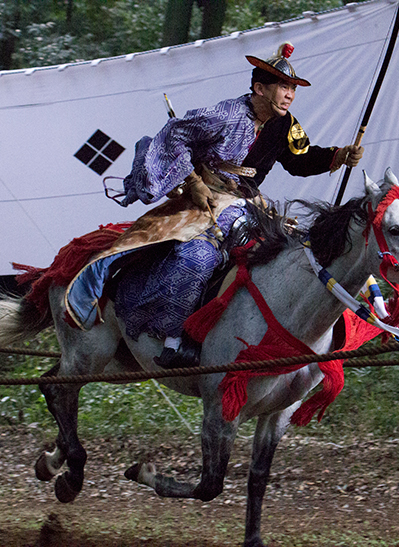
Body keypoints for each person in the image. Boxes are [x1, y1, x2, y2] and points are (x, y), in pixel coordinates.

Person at [113, 42, 364, 367]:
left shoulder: (287, 124)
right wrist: (193, 182)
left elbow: (301, 158)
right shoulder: (226, 114)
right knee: (198, 259)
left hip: (246, 204)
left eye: (292, 88)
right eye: (283, 86)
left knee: (283, 254)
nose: (289, 94)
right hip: (203, 200)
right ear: (260, 88)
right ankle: (174, 336)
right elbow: (174, 134)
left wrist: (339, 155)